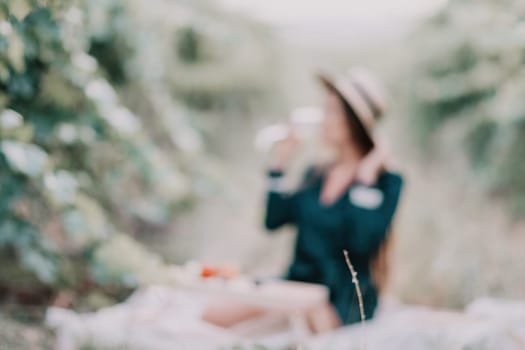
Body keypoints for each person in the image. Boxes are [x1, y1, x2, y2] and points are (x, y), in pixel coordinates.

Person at [264, 68, 403, 325]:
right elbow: (273, 220)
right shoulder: (316, 174)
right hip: (296, 288)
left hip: (341, 302)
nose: (322, 120)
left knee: (282, 323)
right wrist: (279, 166)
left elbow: (362, 242)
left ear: (355, 122)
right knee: (216, 313)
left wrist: (365, 178)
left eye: (331, 111)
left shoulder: (386, 183)